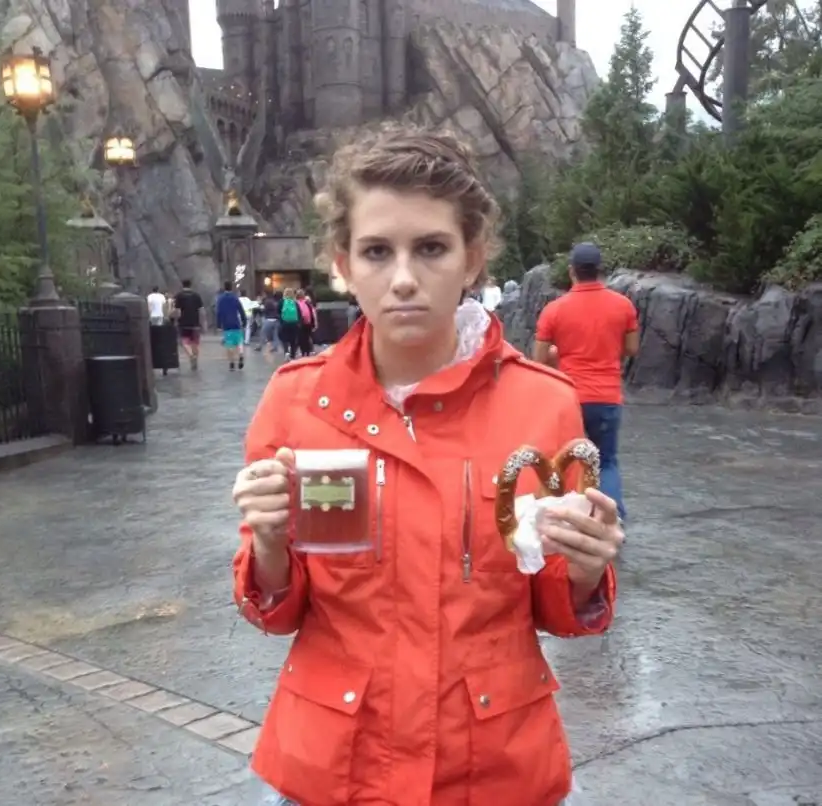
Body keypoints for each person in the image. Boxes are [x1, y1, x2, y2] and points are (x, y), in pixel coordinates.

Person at [231, 128, 623, 806]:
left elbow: (556, 607)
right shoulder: (295, 402)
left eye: (432, 248)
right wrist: (268, 544)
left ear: (473, 256)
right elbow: (276, 611)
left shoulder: (544, 405)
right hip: (334, 770)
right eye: (377, 251)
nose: (404, 278)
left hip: (494, 768)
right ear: (342, 264)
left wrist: (585, 569)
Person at [533, 242, 639, 522]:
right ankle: (612, 519)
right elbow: (631, 348)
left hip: (569, 398)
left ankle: (566, 518)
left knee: (568, 461)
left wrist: (557, 355)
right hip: (607, 397)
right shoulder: (623, 306)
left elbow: (538, 359)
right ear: (600, 270)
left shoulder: (554, 310)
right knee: (606, 461)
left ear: (572, 272)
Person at [173, 279, 205, 370]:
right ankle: (195, 360)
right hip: (195, 323)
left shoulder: (179, 296)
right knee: (195, 343)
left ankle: (191, 355)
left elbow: (178, 311)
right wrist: (203, 322)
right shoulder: (196, 296)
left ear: (182, 285)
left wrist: (176, 320)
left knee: (184, 342)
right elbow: (201, 310)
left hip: (184, 323)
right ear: (191, 285)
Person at [217, 280, 248, 370]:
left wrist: (218, 324)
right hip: (236, 323)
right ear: (231, 287)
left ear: (224, 287)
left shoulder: (220, 299)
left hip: (226, 324)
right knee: (239, 341)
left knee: (229, 344)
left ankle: (231, 363)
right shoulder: (235, 298)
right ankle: (241, 354)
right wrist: (244, 321)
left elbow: (218, 312)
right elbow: (241, 310)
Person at [278, 286, 301, 359]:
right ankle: (292, 355)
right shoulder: (295, 303)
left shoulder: (281, 301)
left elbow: (278, 311)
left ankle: (286, 352)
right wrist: (298, 322)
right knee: (293, 339)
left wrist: (281, 320)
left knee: (283, 338)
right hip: (294, 323)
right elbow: (299, 313)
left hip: (284, 323)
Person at [295, 288, 317, 356]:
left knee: (301, 338)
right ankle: (307, 352)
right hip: (308, 323)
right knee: (307, 337)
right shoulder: (307, 303)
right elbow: (311, 313)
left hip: (300, 323)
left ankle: (303, 352)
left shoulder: (296, 303)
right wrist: (313, 323)